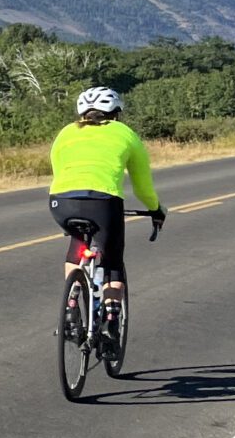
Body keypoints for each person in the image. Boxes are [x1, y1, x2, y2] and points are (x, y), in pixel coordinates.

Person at [47, 86, 165, 312]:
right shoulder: (124, 133)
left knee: (78, 242)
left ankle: (71, 306)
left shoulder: (66, 132)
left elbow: (59, 171)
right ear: (116, 113)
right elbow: (143, 188)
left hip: (60, 202)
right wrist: (156, 209)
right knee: (111, 258)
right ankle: (111, 318)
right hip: (103, 202)